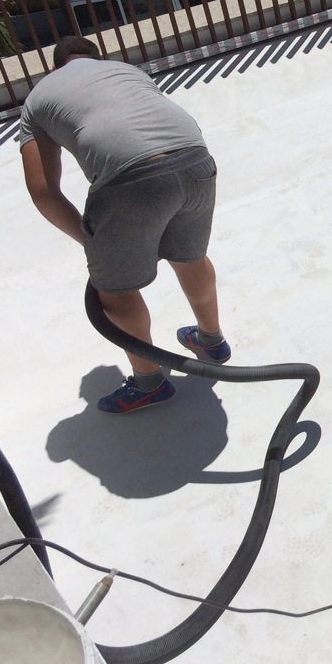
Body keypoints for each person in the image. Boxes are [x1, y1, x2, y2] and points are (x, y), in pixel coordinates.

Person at [18, 36, 231, 414]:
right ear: (97, 59)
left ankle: (149, 383)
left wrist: (93, 243)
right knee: (190, 256)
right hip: (196, 161)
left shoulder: (38, 97)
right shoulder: (126, 72)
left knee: (114, 289)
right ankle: (211, 340)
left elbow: (43, 193)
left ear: (55, 67)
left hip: (129, 179)